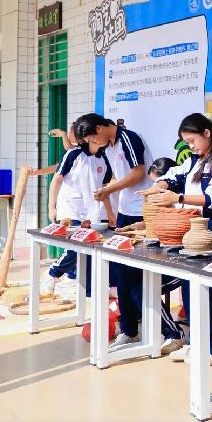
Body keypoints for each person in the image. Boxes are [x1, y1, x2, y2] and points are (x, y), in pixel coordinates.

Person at [140, 113, 212, 364]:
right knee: (190, 286)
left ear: (207, 133)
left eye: (192, 140)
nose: (190, 146)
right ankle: (196, 342)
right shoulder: (194, 161)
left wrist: (178, 198)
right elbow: (173, 175)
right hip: (190, 231)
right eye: (186, 142)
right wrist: (161, 186)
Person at [74, 112, 159, 351]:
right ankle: (129, 328)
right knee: (123, 273)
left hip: (142, 211)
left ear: (100, 128)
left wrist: (110, 189)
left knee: (139, 276)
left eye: (92, 138)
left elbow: (138, 173)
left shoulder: (128, 138)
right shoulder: (109, 147)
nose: (93, 143)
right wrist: (108, 195)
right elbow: (119, 176)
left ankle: (159, 329)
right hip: (125, 211)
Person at [42, 127, 115, 294]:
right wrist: (51, 207)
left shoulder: (104, 158)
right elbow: (56, 180)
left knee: (90, 250)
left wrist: (110, 213)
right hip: (71, 208)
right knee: (76, 246)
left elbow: (103, 189)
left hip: (93, 212)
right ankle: (53, 273)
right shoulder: (73, 154)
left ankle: (89, 291)